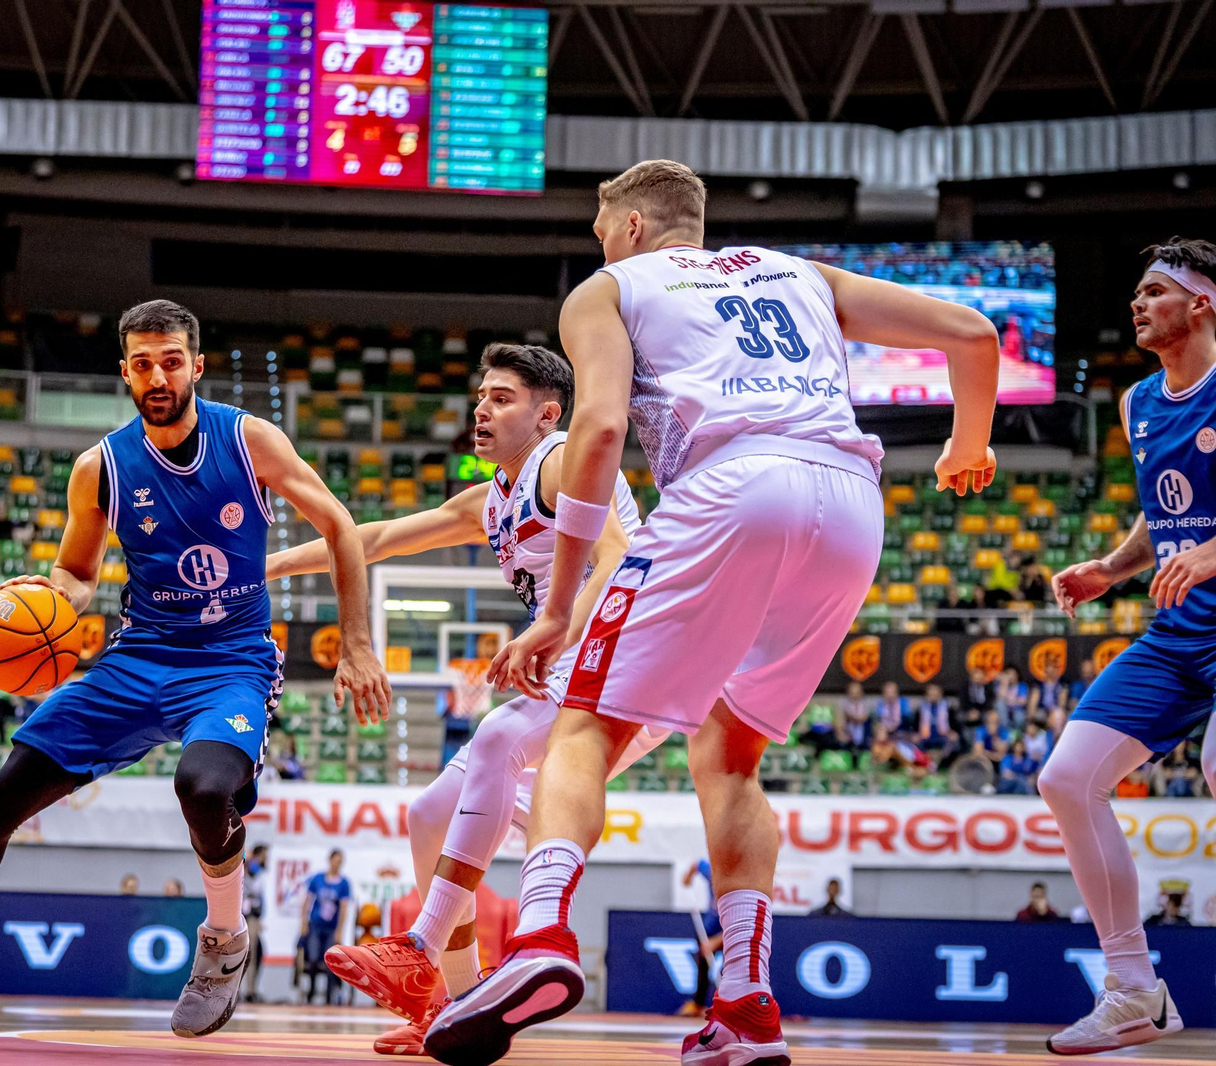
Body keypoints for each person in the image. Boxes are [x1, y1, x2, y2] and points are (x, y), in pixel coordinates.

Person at [428, 159, 999, 1066]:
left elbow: (601, 433)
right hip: (852, 502)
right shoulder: (800, 272)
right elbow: (970, 331)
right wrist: (969, 444)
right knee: (731, 758)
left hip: (733, 487)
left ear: (630, 226)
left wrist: (559, 606)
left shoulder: (609, 286)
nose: (598, 241)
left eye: (599, 227)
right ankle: (745, 1002)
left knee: (583, 729)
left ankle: (538, 940)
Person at [0, 300, 390, 1040]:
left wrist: (358, 643)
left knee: (204, 787)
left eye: (171, 360)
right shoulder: (101, 467)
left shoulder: (248, 440)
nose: (158, 375)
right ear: (124, 372)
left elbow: (339, 525)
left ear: (196, 365)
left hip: (230, 661)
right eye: (142, 363)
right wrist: (50, 602)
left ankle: (223, 942)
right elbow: (77, 573)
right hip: (137, 656)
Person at [267, 343, 664, 1052]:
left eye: (502, 399)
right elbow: (377, 536)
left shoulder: (563, 458)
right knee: (428, 815)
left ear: (547, 415)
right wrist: (260, 570)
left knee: (497, 737)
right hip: (573, 663)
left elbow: (614, 556)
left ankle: (419, 943)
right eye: (482, 396)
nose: (482, 409)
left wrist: (552, 631)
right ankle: (451, 1008)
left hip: (632, 653)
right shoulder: (495, 496)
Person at [1040, 238, 1216, 1053]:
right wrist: (1114, 566)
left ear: (1201, 305)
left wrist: (1211, 553)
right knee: (1068, 779)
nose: (1138, 305)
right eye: (1136, 293)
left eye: (1154, 292)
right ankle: (1134, 991)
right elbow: (1165, 509)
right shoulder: (1140, 401)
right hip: (1180, 635)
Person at [300, 850, 353, 1006]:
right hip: (315, 926)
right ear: (329, 860)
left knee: (331, 961)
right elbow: (307, 901)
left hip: (331, 928)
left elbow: (344, 908)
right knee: (314, 957)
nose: (337, 864)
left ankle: (330, 995)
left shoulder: (344, 884)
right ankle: (311, 990)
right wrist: (303, 923)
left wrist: (340, 930)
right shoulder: (318, 879)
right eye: (335, 860)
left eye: (340, 861)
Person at [679, 859, 721, 1019]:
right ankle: (698, 1004)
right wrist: (687, 878)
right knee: (703, 968)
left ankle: (730, 1003)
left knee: (733, 968)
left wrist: (716, 941)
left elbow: (743, 923)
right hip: (708, 929)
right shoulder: (712, 871)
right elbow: (696, 864)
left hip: (730, 932)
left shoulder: (739, 882)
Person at [243, 845, 268, 1003]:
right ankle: (238, 990)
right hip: (242, 915)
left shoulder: (259, 873)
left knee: (255, 953)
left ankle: (251, 990)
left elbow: (258, 896)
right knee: (243, 953)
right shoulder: (247, 866)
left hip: (253, 916)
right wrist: (247, 858)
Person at [840, 682, 871, 751]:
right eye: (852, 693)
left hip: (862, 730)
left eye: (857, 693)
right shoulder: (845, 703)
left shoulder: (864, 703)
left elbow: (865, 717)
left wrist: (856, 718)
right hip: (849, 731)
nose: (854, 695)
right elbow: (846, 715)